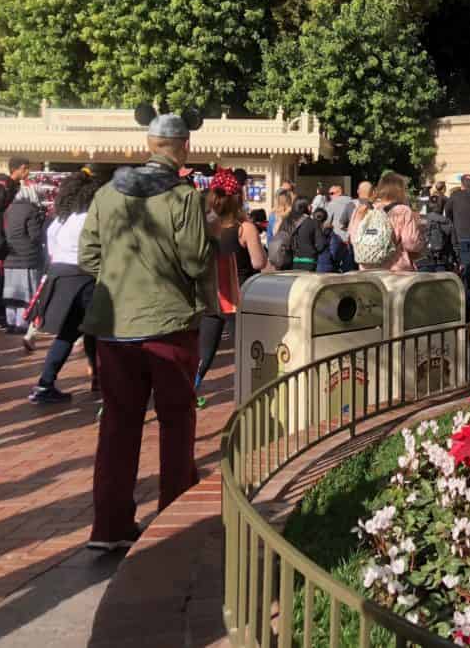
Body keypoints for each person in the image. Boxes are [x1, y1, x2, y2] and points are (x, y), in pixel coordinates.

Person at [80, 110, 211, 551]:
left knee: (117, 423)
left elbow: (88, 256)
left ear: (148, 143)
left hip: (115, 325)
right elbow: (194, 260)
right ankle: (173, 519)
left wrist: (122, 281)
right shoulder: (183, 196)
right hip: (167, 323)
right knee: (176, 422)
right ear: (184, 147)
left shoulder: (107, 193)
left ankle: (110, 526)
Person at [28, 172, 103, 403]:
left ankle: (45, 384)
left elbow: (51, 250)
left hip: (60, 275)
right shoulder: (89, 217)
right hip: (83, 276)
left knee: (71, 332)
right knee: (96, 329)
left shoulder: (60, 219)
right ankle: (100, 377)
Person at [195, 169, 266, 402]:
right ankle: (249, 396)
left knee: (203, 354)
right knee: (245, 351)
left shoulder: (203, 227)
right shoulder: (245, 228)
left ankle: (189, 391)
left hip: (211, 295)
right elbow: (259, 262)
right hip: (240, 296)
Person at [348, 172, 424, 272]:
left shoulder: (362, 209)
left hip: (367, 272)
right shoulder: (403, 211)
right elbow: (410, 244)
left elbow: (353, 238)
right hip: (396, 273)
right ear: (400, 190)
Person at [4, 183, 45, 338]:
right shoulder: (31, 210)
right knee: (25, 293)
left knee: (11, 293)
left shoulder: (9, 209)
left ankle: (11, 323)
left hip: (10, 257)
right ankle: (22, 323)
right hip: (28, 258)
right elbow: (35, 235)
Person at [281, 197, 324, 272]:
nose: (311, 206)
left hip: (289, 261)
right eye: (310, 205)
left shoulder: (286, 222)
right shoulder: (313, 223)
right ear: (305, 207)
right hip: (308, 262)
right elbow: (320, 246)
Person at [417, 194, 456, 273]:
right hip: (442, 260)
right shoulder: (447, 221)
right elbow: (453, 242)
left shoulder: (421, 221)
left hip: (423, 260)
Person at [324, 184, 355, 273]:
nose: (330, 196)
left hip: (337, 239)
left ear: (339, 192)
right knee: (349, 269)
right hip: (351, 239)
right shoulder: (353, 202)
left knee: (334, 267)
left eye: (332, 193)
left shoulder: (332, 204)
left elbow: (327, 222)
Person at [312, 208, 335, 272]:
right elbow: (334, 252)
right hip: (325, 265)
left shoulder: (307, 230)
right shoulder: (330, 234)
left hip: (311, 264)